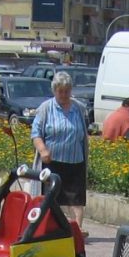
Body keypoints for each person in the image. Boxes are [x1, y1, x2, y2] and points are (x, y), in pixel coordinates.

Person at [31, 71, 89, 227]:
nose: (64, 95)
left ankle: (77, 229)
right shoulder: (45, 108)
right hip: (52, 162)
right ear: (54, 91)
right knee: (51, 198)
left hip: (75, 161)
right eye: (60, 91)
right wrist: (43, 150)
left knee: (76, 199)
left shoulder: (78, 108)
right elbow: (36, 133)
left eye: (67, 91)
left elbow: (84, 132)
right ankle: (50, 227)